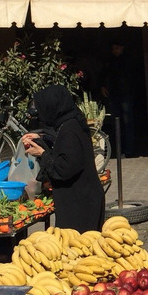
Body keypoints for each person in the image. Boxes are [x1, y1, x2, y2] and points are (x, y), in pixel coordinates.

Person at [22, 85, 105, 232]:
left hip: (80, 207)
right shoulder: (72, 121)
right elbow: (63, 143)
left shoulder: (70, 131)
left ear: (52, 107)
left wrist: (41, 153)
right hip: (85, 199)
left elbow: (64, 168)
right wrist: (42, 137)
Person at [99, 41, 136, 157]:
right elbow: (103, 74)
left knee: (127, 122)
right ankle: (119, 150)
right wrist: (103, 86)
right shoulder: (110, 61)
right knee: (117, 122)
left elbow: (132, 78)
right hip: (114, 94)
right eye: (113, 49)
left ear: (122, 48)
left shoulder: (128, 60)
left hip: (126, 94)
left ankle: (128, 150)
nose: (114, 51)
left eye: (116, 48)